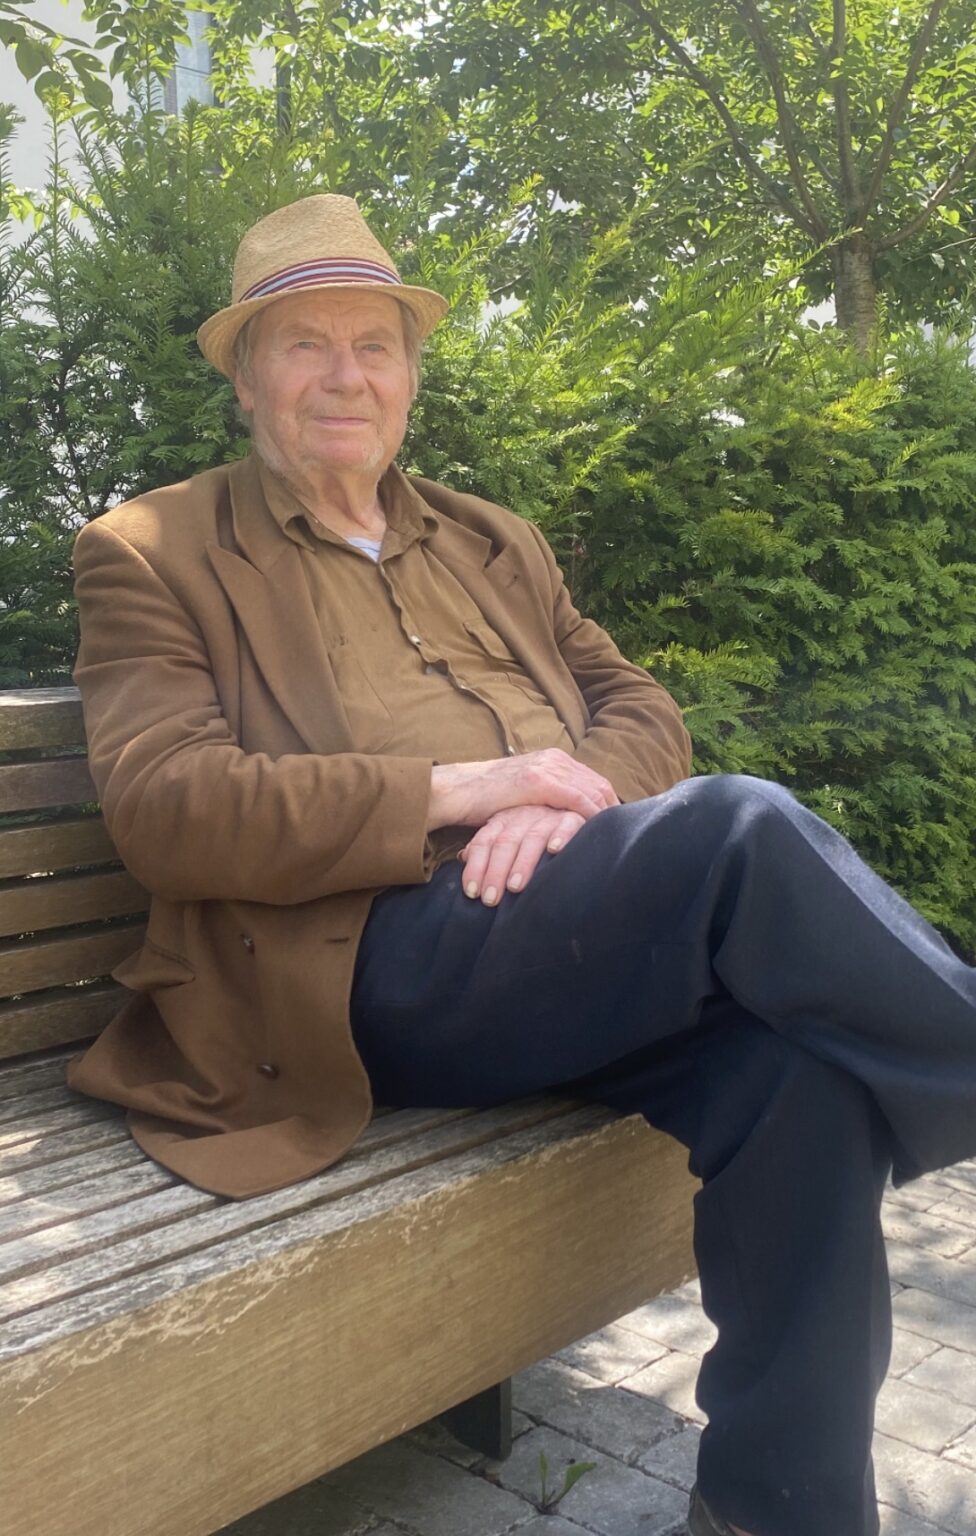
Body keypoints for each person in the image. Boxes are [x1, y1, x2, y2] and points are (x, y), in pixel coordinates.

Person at [68, 193, 976, 1536]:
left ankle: (773, 1516)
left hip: (560, 934)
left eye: (374, 345)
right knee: (739, 829)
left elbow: (639, 707)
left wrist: (569, 800)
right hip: (356, 966)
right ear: (246, 377)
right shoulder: (154, 551)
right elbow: (165, 805)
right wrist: (474, 786)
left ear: (410, 375)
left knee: (800, 1086)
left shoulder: (489, 539)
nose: (344, 375)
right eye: (305, 343)